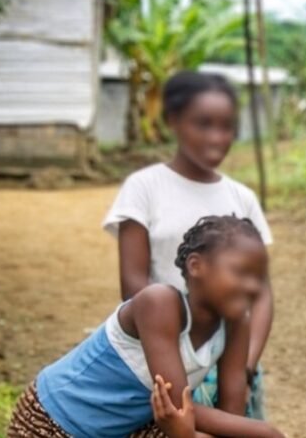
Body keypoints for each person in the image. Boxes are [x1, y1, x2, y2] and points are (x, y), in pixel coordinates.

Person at [7, 215, 286, 438]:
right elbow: (177, 407)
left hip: (132, 424)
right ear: (196, 265)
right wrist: (267, 432)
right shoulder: (159, 303)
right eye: (240, 272)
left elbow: (230, 416)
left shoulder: (237, 324)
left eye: (258, 277)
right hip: (56, 421)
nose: (252, 286)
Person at [103, 71, 273, 418]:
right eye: (203, 124)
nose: (217, 137)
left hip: (230, 356)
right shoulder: (145, 187)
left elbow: (262, 292)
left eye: (226, 127)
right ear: (173, 121)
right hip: (163, 355)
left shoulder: (242, 198)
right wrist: (182, 357)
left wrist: (245, 363)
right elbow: (134, 284)